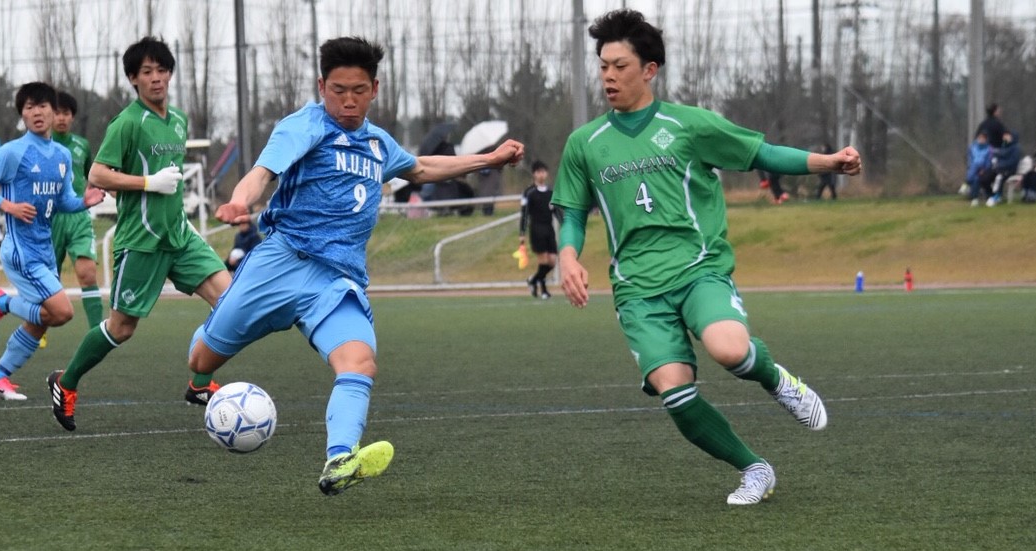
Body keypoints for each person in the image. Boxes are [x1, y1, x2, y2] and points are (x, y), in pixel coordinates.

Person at [186, 36, 525, 495]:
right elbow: (263, 173)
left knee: (359, 362)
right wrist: (239, 201)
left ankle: (340, 459)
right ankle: (200, 382)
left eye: (359, 91)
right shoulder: (303, 126)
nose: (348, 101)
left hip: (336, 280)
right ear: (321, 86)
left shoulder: (378, 143)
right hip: (281, 264)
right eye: (338, 90)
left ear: (375, 89)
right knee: (203, 357)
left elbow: (421, 168)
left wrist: (490, 158)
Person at [555, 9, 859, 506]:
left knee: (729, 350)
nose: (608, 76)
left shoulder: (689, 125)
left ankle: (777, 380)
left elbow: (761, 153)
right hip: (637, 288)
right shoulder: (583, 144)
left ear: (649, 70)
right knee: (674, 391)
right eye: (603, 66)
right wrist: (568, 256)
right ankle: (754, 469)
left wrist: (828, 162)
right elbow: (570, 213)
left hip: (698, 269)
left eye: (620, 66)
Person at [45, 37, 231, 432]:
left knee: (231, 303)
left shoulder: (178, 120)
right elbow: (98, 174)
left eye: (162, 70)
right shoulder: (127, 123)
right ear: (133, 78)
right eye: (147, 72)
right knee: (121, 328)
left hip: (179, 236)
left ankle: (199, 384)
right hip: (141, 241)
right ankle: (66, 382)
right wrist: (147, 183)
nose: (156, 78)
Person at [0, 81, 105, 402]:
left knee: (43, 319)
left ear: (52, 110)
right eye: (29, 107)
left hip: (44, 250)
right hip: (21, 251)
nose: (36, 112)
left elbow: (63, 202)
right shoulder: (12, 152)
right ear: (22, 114)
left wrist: (84, 202)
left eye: (42, 106)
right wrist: (8, 206)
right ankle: (1, 303)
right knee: (62, 312)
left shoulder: (62, 155)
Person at [49, 90, 105, 331]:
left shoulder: (82, 145)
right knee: (48, 281)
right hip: (49, 219)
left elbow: (93, 176)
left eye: (66, 113)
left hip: (79, 216)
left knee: (87, 272)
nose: (61, 118)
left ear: (72, 116)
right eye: (57, 113)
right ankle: (37, 327)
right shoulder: (39, 146)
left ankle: (96, 333)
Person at [519, 160, 560, 299]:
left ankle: (533, 280)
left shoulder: (551, 193)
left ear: (546, 173)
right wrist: (522, 233)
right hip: (536, 229)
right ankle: (543, 290)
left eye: (543, 171)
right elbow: (524, 213)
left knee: (552, 261)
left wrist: (565, 223)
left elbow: (556, 211)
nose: (541, 174)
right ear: (534, 174)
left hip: (549, 229)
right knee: (543, 261)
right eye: (538, 172)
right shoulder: (529, 193)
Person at [984, 130, 1020, 207]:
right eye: (1004, 135)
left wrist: (1000, 165)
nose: (1005, 137)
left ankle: (996, 196)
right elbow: (997, 157)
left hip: (1009, 170)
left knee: (999, 178)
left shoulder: (1015, 148)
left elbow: (1013, 162)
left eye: (1007, 135)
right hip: (998, 169)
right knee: (985, 178)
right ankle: (990, 195)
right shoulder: (1003, 147)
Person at [962, 130, 990, 204]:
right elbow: (970, 159)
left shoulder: (988, 149)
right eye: (979, 138)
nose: (981, 139)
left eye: (983, 138)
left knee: (976, 169)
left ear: (986, 139)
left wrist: (984, 169)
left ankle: (966, 183)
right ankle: (975, 199)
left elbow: (988, 162)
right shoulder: (972, 147)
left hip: (983, 169)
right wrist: (970, 166)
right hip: (973, 168)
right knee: (975, 178)